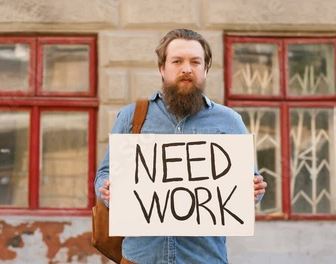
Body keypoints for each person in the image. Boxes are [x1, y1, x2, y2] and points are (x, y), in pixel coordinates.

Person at [95, 28, 267, 264]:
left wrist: (253, 191)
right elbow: (105, 173)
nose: (187, 68)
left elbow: (249, 185)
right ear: (162, 69)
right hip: (142, 259)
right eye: (177, 61)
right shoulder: (132, 117)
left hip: (204, 258)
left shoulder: (229, 122)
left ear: (205, 70)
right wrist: (106, 191)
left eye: (195, 62)